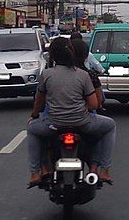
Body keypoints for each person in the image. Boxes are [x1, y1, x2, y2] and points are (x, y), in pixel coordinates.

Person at [27, 38, 116, 187]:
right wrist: (79, 109)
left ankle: (35, 173)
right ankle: (104, 170)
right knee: (110, 125)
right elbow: (94, 103)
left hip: (52, 125)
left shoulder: (46, 74)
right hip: (82, 123)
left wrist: (34, 115)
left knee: (32, 129)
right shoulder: (83, 75)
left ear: (53, 56)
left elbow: (39, 102)